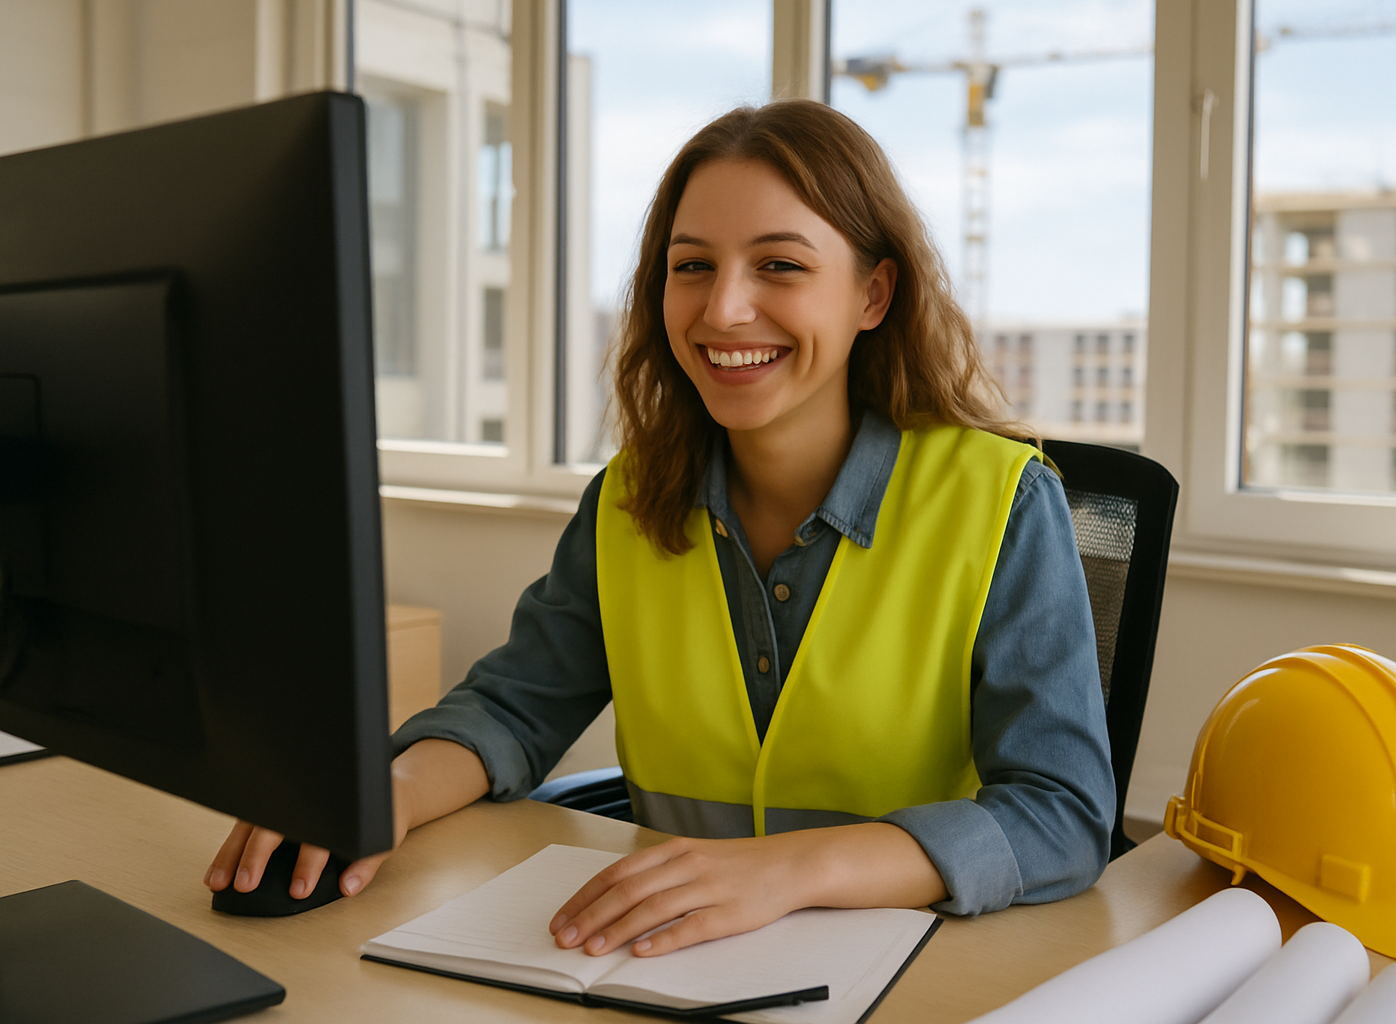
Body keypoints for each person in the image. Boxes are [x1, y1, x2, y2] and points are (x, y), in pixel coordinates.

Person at [207, 99, 1114, 958]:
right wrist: (381, 795)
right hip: (666, 958)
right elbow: (510, 706)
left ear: (873, 295)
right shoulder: (629, 499)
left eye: (780, 265)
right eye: (692, 266)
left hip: (919, 965)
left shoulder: (1003, 504)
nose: (722, 310)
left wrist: (792, 871)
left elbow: (1063, 813)